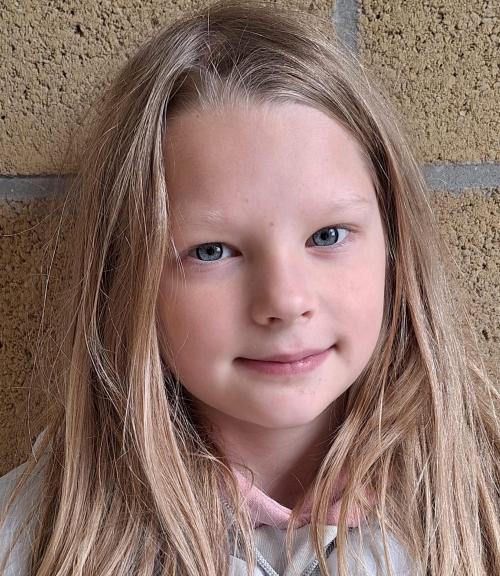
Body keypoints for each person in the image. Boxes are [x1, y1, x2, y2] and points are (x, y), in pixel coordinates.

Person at [1, 1, 498, 574]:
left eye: (328, 235)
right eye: (212, 251)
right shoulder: (29, 538)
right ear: (129, 278)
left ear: (395, 246)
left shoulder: (481, 505)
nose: (285, 302)